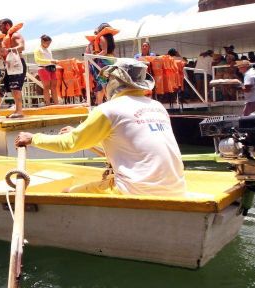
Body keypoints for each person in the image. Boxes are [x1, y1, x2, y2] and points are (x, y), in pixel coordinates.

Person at [15, 58, 185, 196]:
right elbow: (126, 146)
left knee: (66, 192)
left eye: (108, 79)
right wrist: (77, 133)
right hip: (177, 189)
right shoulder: (158, 107)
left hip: (133, 190)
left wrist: (33, 138)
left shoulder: (108, 110)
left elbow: (69, 144)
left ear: (115, 81)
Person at [0, 18, 27, 119]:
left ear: (7, 25)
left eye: (0, 26)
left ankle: (19, 111)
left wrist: (8, 49)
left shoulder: (15, 35)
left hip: (17, 63)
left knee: (16, 88)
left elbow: (22, 47)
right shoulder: (5, 37)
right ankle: (17, 110)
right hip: (10, 64)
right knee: (12, 88)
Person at [86, 22, 118, 104]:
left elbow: (104, 51)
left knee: (102, 84)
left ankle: (102, 103)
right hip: (111, 61)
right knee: (109, 83)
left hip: (103, 62)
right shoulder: (111, 39)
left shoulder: (102, 38)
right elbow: (112, 52)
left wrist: (92, 57)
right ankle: (107, 102)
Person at [34, 34, 59, 106]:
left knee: (54, 85)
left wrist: (54, 61)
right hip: (43, 68)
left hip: (51, 68)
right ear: (42, 41)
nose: (48, 45)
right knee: (46, 86)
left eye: (49, 43)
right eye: (47, 43)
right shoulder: (37, 49)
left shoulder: (48, 49)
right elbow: (37, 60)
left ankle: (56, 103)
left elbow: (50, 59)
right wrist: (51, 61)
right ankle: (48, 104)